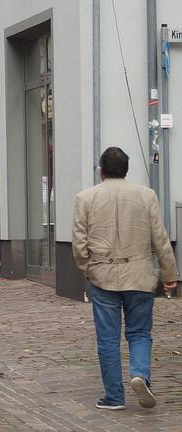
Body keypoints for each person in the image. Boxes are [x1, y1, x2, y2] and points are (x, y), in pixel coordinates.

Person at [72, 147, 178, 411]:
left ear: (101, 169)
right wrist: (169, 275)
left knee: (107, 339)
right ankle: (140, 374)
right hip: (140, 275)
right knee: (140, 332)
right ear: (126, 169)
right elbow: (161, 239)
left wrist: (88, 269)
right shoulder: (146, 195)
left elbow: (79, 243)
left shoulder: (85, 198)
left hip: (103, 275)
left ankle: (114, 397)